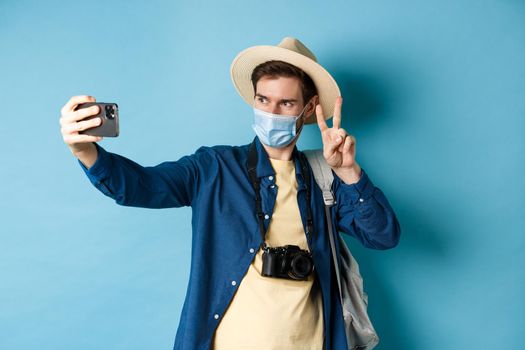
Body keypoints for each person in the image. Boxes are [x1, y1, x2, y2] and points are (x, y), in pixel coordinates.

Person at [59, 37, 400, 350]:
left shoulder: (324, 176)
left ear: (309, 108)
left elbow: (382, 236)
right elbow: (139, 186)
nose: (271, 113)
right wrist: (85, 151)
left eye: (285, 104)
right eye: (263, 100)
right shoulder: (214, 167)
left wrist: (348, 172)